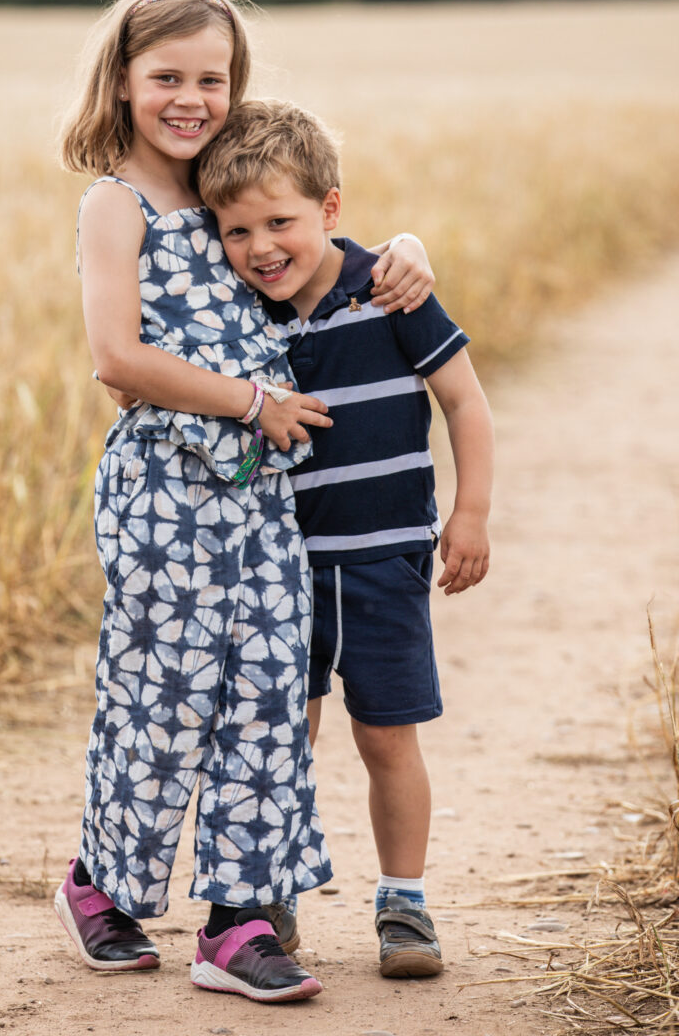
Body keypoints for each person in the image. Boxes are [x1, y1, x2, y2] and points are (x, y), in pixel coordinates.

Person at [54, 0, 436, 1004]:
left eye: (212, 78)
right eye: (166, 76)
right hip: (165, 501)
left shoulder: (232, 197)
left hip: (265, 504)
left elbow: (314, 251)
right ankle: (103, 886)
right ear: (123, 82)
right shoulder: (116, 203)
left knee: (267, 700)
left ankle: (240, 921)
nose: (191, 98)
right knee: (161, 702)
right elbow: (115, 357)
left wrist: (401, 250)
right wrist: (248, 403)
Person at [196, 98, 494, 979]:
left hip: (385, 561)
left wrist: (470, 513)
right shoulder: (241, 315)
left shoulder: (392, 288)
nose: (260, 248)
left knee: (387, 737)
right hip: (280, 572)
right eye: (237, 229)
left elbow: (465, 402)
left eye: (279, 222)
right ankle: (271, 891)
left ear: (330, 209)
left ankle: (404, 903)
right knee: (285, 736)